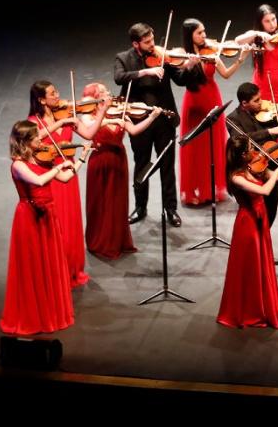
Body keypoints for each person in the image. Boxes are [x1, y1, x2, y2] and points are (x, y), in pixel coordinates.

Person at [0, 121, 85, 335]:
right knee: (33, 264)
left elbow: (65, 178)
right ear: (25, 142)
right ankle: (33, 312)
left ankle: (49, 308)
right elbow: (38, 182)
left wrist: (83, 158)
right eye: (36, 138)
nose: (41, 140)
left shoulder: (40, 158)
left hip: (48, 215)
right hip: (29, 217)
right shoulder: (18, 165)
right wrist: (57, 165)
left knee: (49, 262)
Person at [114, 22, 195, 227]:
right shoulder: (123, 58)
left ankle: (171, 209)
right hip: (139, 121)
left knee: (167, 166)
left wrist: (190, 66)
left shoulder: (162, 57)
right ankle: (140, 207)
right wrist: (145, 72)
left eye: (152, 39)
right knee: (141, 164)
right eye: (147, 42)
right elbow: (119, 78)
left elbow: (181, 80)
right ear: (136, 44)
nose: (152, 45)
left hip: (164, 119)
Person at [29, 80, 108, 287]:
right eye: (52, 94)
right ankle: (54, 271)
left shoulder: (66, 114)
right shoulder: (33, 120)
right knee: (57, 224)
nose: (58, 96)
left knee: (70, 221)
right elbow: (34, 137)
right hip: (50, 176)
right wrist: (59, 124)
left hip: (68, 175)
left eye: (57, 91)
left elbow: (89, 135)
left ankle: (71, 268)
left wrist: (101, 112)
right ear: (41, 100)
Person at [217, 134, 278, 329]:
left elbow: (277, 176)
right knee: (250, 269)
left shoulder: (253, 166)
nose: (254, 151)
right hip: (247, 224)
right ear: (242, 155)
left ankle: (262, 307)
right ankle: (250, 311)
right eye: (250, 148)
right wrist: (275, 174)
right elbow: (265, 191)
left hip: (260, 220)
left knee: (261, 265)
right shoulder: (236, 177)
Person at [81, 83, 163, 259]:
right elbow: (89, 131)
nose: (109, 94)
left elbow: (133, 130)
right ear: (96, 98)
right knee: (100, 202)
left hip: (118, 161)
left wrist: (152, 117)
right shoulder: (88, 116)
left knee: (117, 201)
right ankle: (99, 241)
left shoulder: (119, 111)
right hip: (100, 162)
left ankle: (118, 240)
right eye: (103, 92)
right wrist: (106, 116)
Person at [174, 18, 246, 205]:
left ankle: (209, 188)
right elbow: (180, 78)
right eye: (199, 33)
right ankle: (194, 190)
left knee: (212, 146)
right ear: (190, 35)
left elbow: (226, 74)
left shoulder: (212, 50)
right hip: (194, 101)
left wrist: (240, 59)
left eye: (204, 31)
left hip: (213, 98)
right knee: (195, 148)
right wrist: (190, 64)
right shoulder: (182, 55)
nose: (204, 36)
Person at [227, 82, 278, 229]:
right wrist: (268, 132)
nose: (261, 103)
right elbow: (243, 138)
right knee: (256, 214)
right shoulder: (233, 119)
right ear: (244, 103)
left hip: (269, 166)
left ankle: (264, 237)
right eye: (256, 101)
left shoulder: (266, 114)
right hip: (251, 170)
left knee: (271, 210)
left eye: (260, 99)